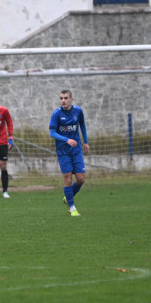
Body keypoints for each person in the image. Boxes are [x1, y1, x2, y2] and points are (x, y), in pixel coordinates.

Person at [49, 89, 88, 217]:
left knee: (81, 179)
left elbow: (82, 124)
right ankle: (72, 208)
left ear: (71, 99)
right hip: (63, 151)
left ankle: (68, 197)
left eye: (66, 98)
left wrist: (85, 142)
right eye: (61, 98)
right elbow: (52, 133)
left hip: (76, 150)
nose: (63, 101)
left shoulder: (78, 111)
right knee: (67, 178)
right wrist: (66, 139)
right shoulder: (56, 114)